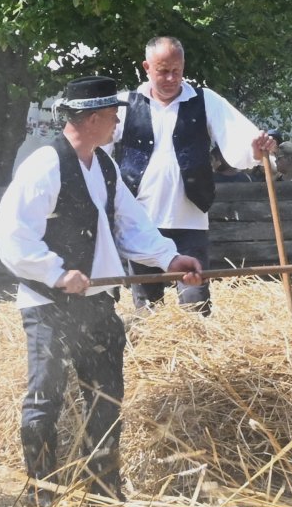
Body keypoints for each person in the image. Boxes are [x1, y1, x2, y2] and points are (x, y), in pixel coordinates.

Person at [0, 76, 203, 501]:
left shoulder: (104, 165)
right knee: (44, 398)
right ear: (91, 119)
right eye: (112, 116)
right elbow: (12, 236)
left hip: (98, 304)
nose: (117, 124)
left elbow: (131, 224)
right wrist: (56, 273)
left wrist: (169, 258)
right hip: (48, 304)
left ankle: (103, 492)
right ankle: (42, 493)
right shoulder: (45, 165)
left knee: (106, 399)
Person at [114, 37, 273, 313]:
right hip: (141, 221)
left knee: (195, 304)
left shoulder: (204, 100)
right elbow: (96, 145)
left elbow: (238, 137)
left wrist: (256, 149)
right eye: (163, 71)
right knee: (147, 308)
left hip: (190, 220)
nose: (171, 78)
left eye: (176, 70)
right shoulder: (125, 103)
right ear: (146, 67)